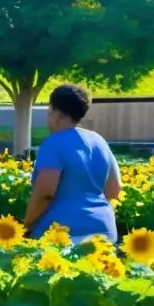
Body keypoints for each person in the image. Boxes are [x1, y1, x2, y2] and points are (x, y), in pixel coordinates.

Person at [24, 84, 121, 243]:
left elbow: (45, 193)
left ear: (58, 114)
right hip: (104, 231)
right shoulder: (99, 141)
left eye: (49, 112)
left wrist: (26, 226)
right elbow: (114, 189)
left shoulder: (53, 143)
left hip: (62, 235)